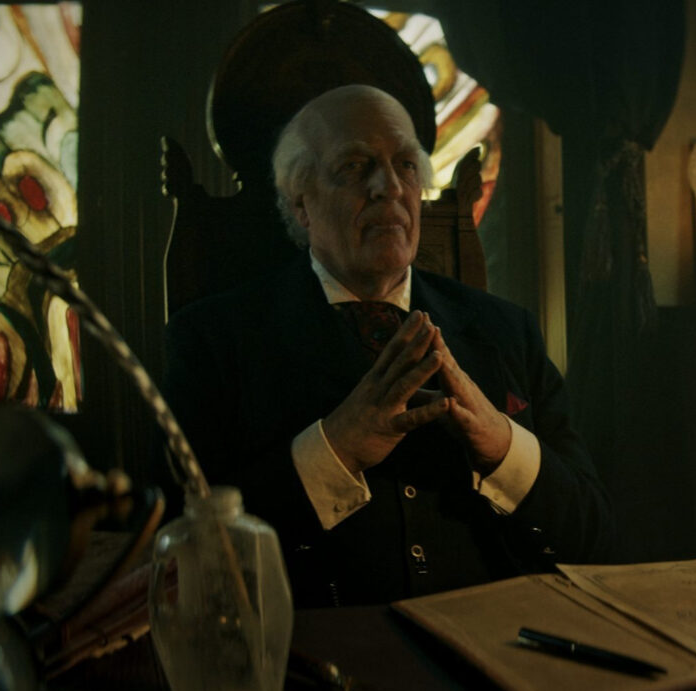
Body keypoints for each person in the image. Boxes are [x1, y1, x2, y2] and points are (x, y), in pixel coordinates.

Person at [161, 84, 610, 607]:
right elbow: (183, 551)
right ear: (301, 202)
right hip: (318, 644)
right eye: (355, 166)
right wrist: (335, 449)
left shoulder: (508, 331)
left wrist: (502, 445)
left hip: (499, 636)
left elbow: (592, 539)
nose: (389, 187)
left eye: (406, 166)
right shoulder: (213, 340)